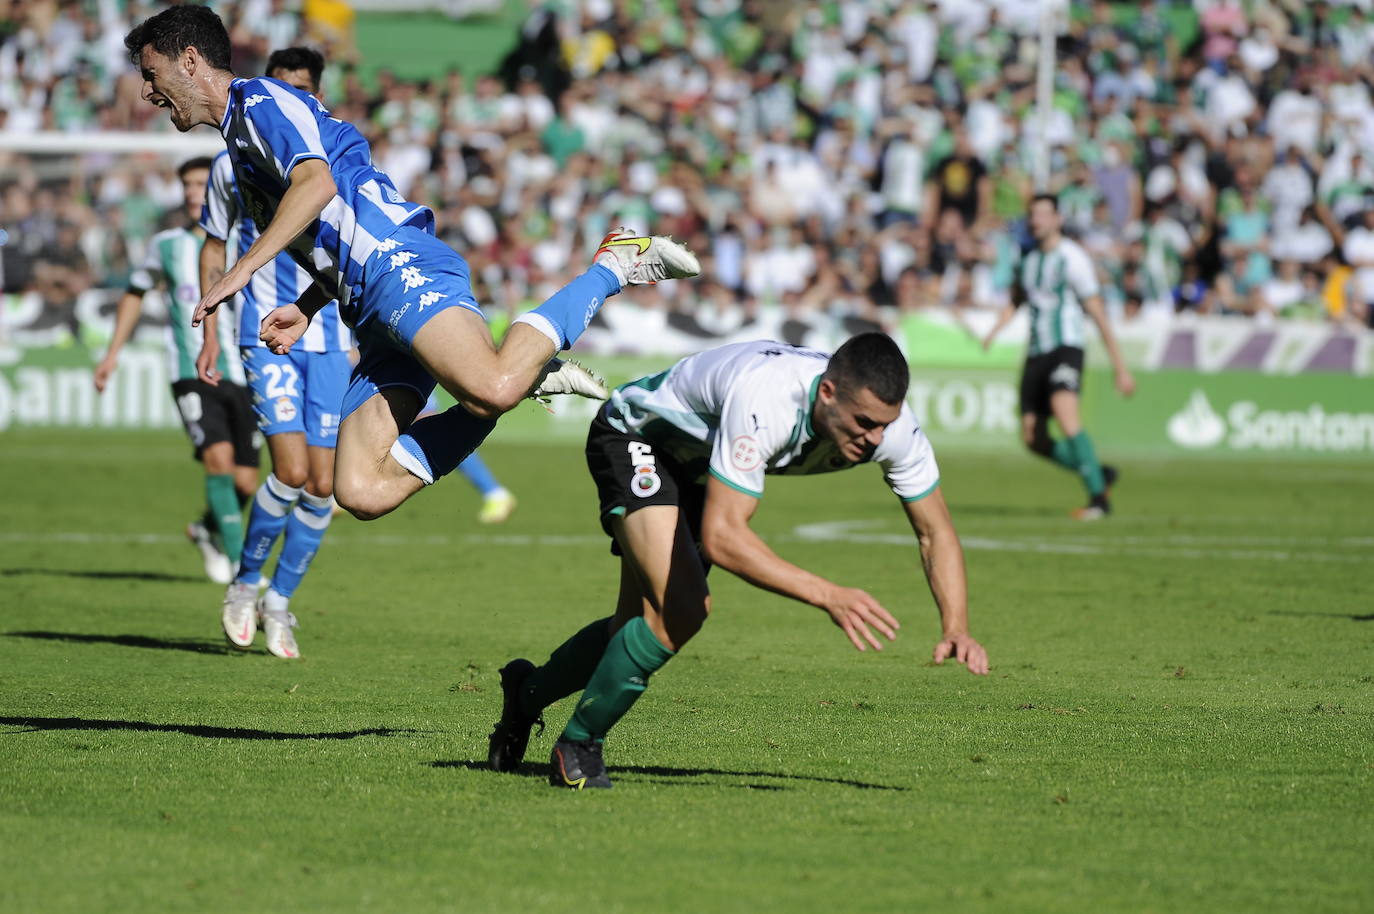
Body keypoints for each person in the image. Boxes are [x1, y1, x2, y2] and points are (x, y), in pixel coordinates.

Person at [124, 6, 698, 530]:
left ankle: (614, 265)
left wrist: (243, 267)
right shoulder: (240, 149)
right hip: (364, 305)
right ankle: (531, 379)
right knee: (360, 490)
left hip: (397, 262)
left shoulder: (260, 104)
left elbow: (318, 184)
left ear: (191, 60)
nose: (148, 91)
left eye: (152, 74)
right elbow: (328, 233)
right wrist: (305, 308)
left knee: (490, 386)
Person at [487, 334, 990, 790]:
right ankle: (578, 746)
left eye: (885, 425)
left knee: (638, 625)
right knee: (683, 609)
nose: (875, 439)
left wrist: (957, 625)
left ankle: (525, 697)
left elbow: (936, 531)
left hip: (706, 468)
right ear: (828, 393)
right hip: (637, 438)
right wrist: (828, 594)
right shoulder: (769, 396)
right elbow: (725, 537)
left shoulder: (891, 430)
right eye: (863, 424)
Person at [195, 47, 351, 659]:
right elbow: (214, 244)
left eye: (302, 88)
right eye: (280, 85)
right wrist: (210, 323)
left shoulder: (328, 156)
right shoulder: (230, 163)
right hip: (266, 328)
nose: (289, 97)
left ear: (315, 94)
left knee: (321, 485)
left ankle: (280, 601)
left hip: (331, 333)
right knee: (288, 471)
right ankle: (244, 584)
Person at [93, 157, 260, 584]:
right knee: (218, 463)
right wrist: (112, 354)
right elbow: (135, 291)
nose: (190, 192)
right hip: (190, 370)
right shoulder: (166, 245)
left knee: (244, 483)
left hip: (244, 372)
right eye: (186, 185)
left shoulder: (248, 242)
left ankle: (206, 529)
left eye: (200, 184)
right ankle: (245, 573)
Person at [982, 194, 1136, 520]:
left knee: (1066, 416)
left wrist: (1120, 367)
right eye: (1032, 214)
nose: (1036, 220)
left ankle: (1098, 500)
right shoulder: (1028, 259)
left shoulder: (1072, 258)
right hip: (1036, 352)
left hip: (1066, 346)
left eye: (1043, 214)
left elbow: (1097, 312)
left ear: (1057, 220)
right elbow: (1018, 299)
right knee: (1032, 438)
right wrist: (995, 329)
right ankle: (1098, 472)